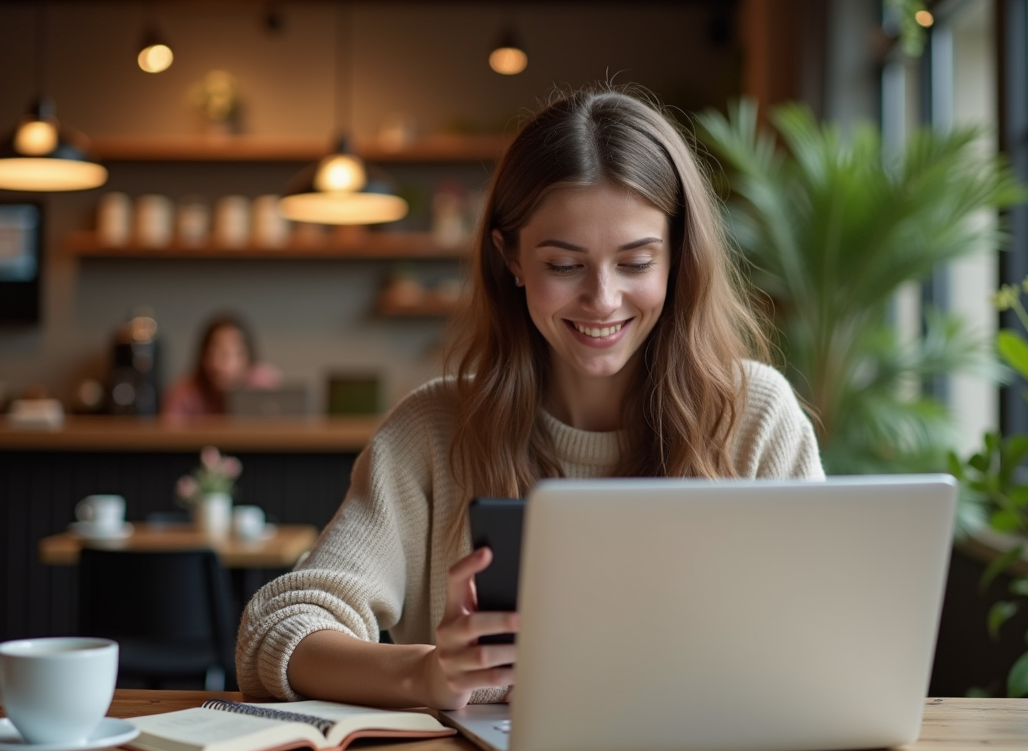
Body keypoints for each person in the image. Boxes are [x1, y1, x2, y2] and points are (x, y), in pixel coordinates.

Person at [235, 86, 824, 710]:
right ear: (510, 257)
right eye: (564, 266)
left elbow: (827, 641)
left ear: (678, 258)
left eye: (635, 262)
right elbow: (277, 631)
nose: (602, 299)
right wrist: (427, 675)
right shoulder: (433, 432)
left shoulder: (755, 417)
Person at [161, 313, 281, 417]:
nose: (226, 363)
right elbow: (167, 436)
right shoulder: (185, 393)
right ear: (204, 356)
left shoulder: (263, 386)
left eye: (235, 353)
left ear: (248, 357)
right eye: (217, 352)